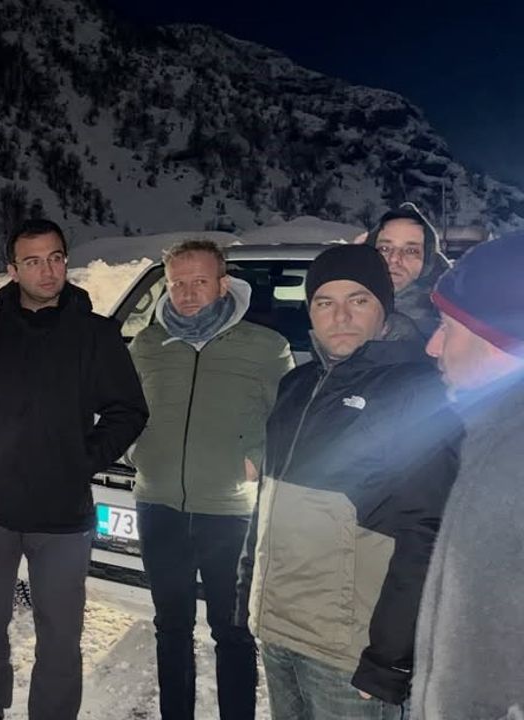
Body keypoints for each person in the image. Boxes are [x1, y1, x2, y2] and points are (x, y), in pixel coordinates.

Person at [0, 219, 148, 720]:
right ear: (13, 270)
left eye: (55, 258)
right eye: (32, 262)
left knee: (61, 633)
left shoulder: (95, 335)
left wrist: (83, 460)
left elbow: (128, 411)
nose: (47, 271)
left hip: (63, 515)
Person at [237, 244, 460, 718]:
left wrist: (389, 658)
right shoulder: (295, 387)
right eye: (325, 302)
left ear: (384, 308)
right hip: (279, 633)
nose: (340, 316)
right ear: (311, 312)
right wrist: (247, 597)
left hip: (349, 654)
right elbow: (267, 504)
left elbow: (427, 532)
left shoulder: (416, 390)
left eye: (358, 300)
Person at [129, 240, 293, 720]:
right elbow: (123, 409)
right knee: (171, 627)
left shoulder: (265, 347)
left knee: (233, 630)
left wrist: (255, 460)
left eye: (199, 281)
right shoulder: (147, 345)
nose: (187, 293)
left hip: (230, 512)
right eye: (177, 283)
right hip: (158, 504)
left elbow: (288, 418)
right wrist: (137, 452)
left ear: (224, 284)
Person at [412, 232, 524, 719]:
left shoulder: (513, 459)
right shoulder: (494, 439)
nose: (432, 346)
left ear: (498, 338)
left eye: (446, 327)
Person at [363, 202, 450, 339]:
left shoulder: (451, 325)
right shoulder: (338, 303)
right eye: (384, 249)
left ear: (427, 262)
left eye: (411, 251)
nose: (394, 259)